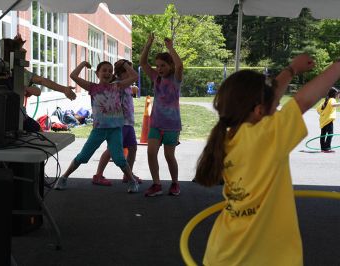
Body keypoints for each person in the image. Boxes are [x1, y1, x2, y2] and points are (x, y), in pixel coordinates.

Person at [191, 53, 340, 265]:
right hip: (263, 257)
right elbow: (302, 101)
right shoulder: (266, 137)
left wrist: (291, 70)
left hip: (222, 253)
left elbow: (266, 99)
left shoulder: (225, 138)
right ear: (259, 111)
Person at [54, 60, 140, 193]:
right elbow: (73, 76)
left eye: (110, 71)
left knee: (119, 159)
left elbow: (135, 77)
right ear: (97, 73)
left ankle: (132, 182)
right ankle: (64, 177)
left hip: (115, 130)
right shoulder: (92, 87)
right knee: (83, 156)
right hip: (99, 130)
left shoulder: (117, 86)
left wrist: (124, 65)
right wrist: (83, 64)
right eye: (104, 70)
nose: (107, 73)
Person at [140, 33, 183, 197]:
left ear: (170, 66)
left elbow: (179, 66)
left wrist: (170, 48)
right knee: (151, 153)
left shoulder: (176, 79)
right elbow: (143, 63)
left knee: (169, 156)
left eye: (163, 65)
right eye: (157, 66)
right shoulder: (156, 77)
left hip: (171, 125)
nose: (159, 69)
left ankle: (175, 183)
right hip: (156, 124)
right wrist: (148, 43)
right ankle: (156, 184)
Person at [0, 27, 76, 101]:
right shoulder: (20, 73)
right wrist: (64, 89)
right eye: (19, 49)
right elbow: (42, 81)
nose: (24, 51)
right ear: (13, 53)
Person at [92, 59, 142, 186]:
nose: (132, 74)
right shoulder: (117, 84)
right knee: (111, 150)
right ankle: (98, 175)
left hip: (128, 123)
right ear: (122, 73)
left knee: (133, 148)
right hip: (120, 123)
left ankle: (127, 174)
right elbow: (134, 76)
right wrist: (125, 65)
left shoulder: (126, 86)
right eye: (128, 71)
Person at [316, 87, 340, 152]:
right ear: (334, 94)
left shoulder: (326, 100)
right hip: (329, 120)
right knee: (330, 134)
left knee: (323, 134)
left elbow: (318, 110)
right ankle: (327, 148)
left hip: (323, 120)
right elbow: (333, 104)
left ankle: (323, 148)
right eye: (338, 94)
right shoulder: (332, 99)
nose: (339, 95)